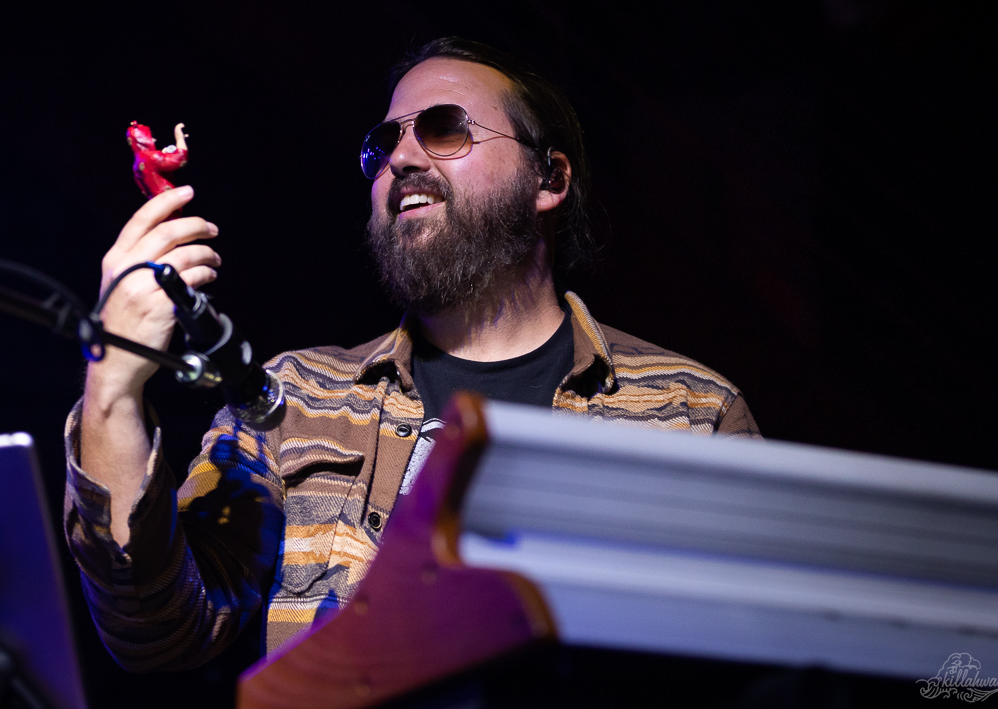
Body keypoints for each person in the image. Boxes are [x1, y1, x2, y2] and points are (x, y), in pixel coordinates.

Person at [64, 38, 760, 672]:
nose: (401, 157)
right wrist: (112, 388)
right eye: (384, 142)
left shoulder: (688, 412)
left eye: (445, 128)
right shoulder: (294, 399)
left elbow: (754, 664)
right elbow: (155, 629)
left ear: (548, 180)